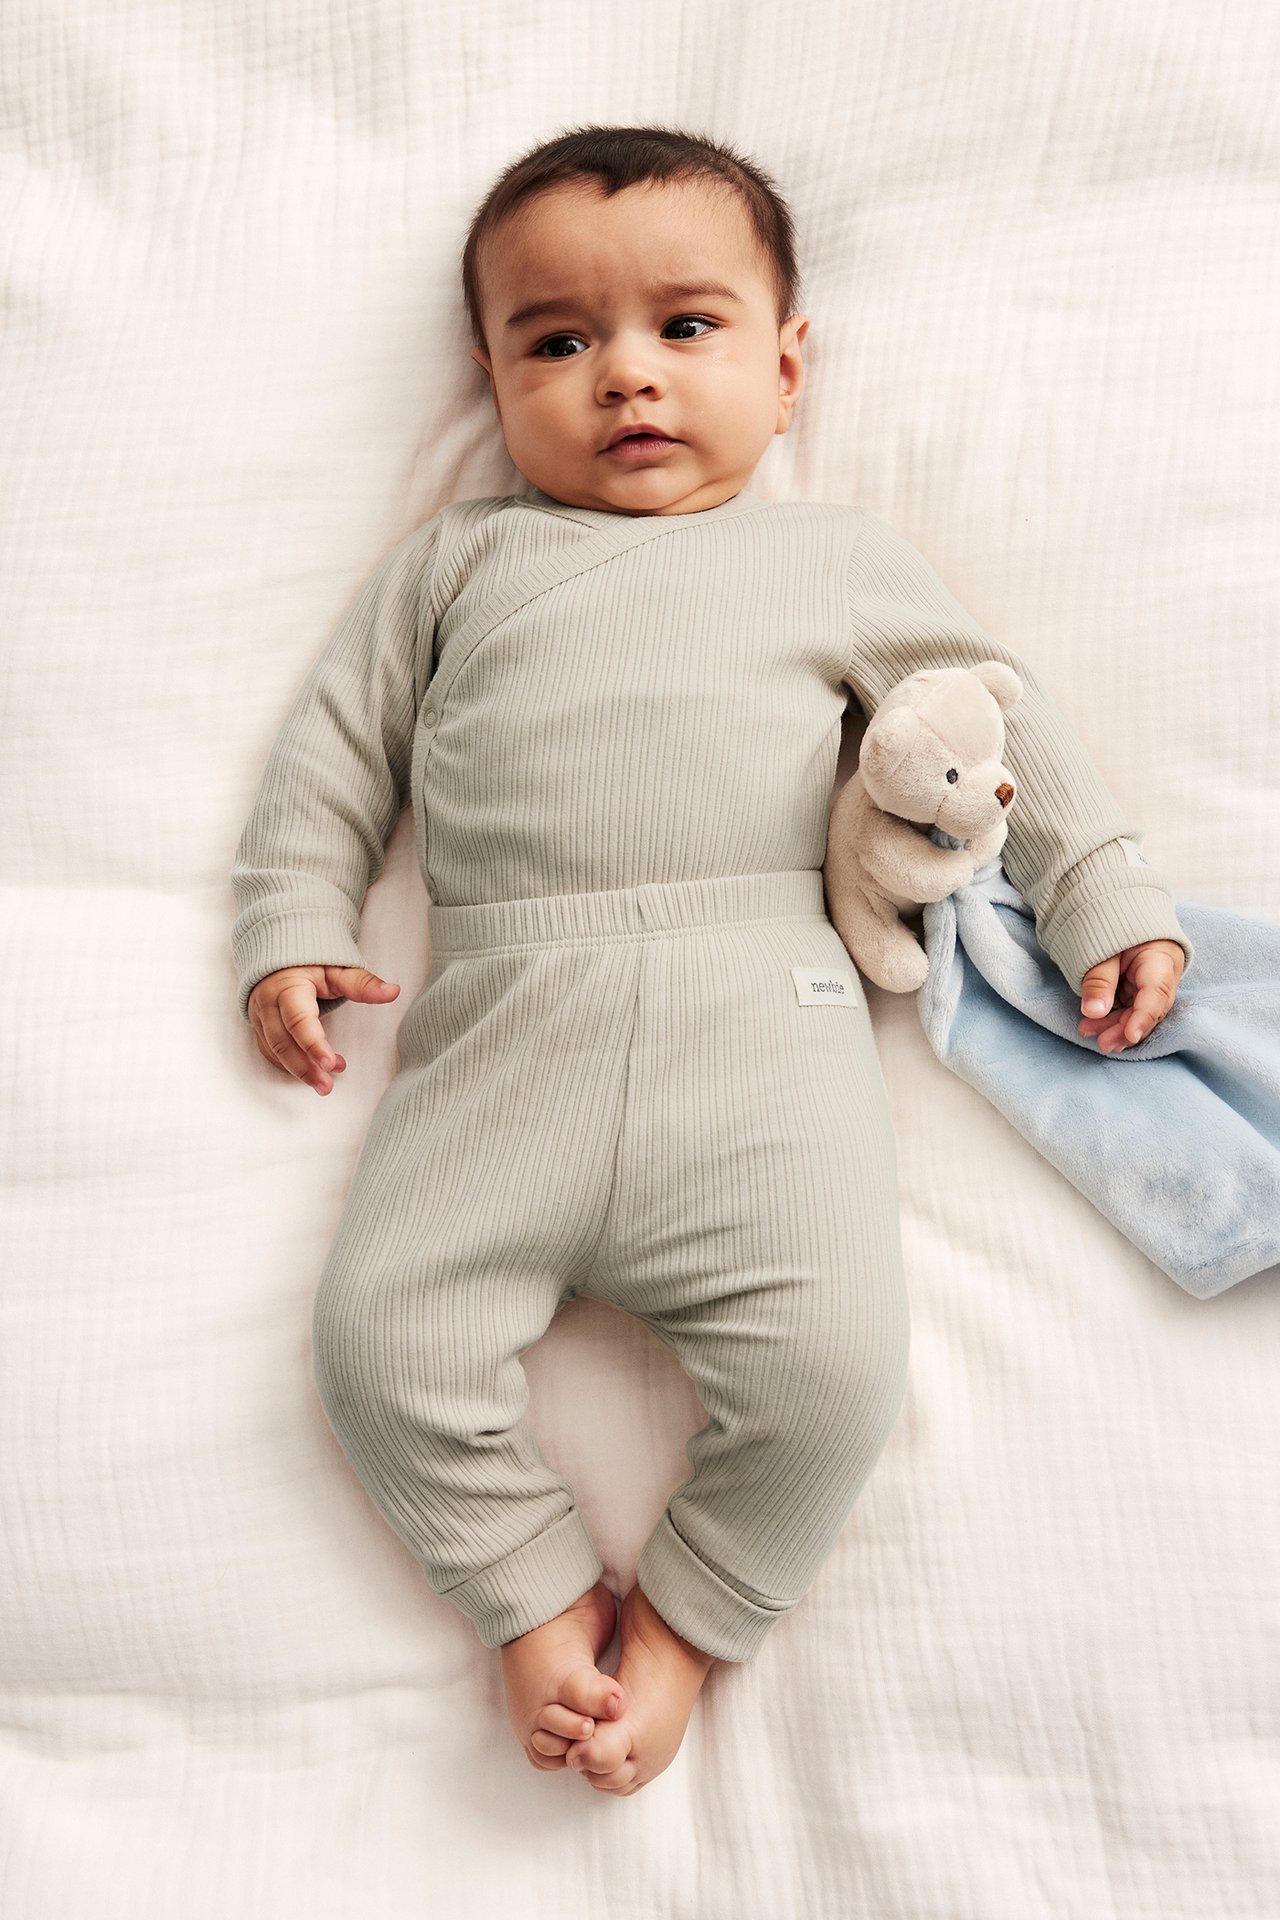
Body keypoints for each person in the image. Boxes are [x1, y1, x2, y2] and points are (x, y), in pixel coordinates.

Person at [229, 125, 1190, 1797]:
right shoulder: (455, 565)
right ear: (491, 376)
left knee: (834, 1379)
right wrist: (294, 920)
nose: (625, 379)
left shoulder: (835, 561)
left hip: (766, 1033)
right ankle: (533, 1607)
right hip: (502, 1035)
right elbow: (334, 754)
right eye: (557, 341)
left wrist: (1103, 891)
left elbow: (997, 720)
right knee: (378, 1348)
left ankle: (676, 1631)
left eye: (686, 328)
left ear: (788, 363)